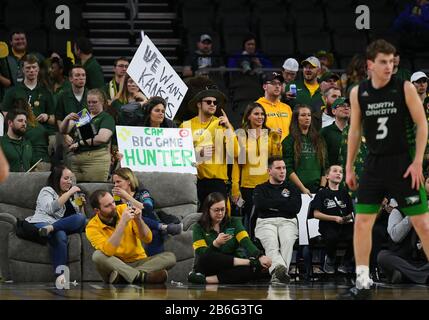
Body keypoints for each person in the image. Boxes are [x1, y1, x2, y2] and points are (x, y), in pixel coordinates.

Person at [345, 39, 429, 299]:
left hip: (403, 163)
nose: (388, 66)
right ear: (370, 64)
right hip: (374, 164)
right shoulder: (358, 92)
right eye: (383, 61)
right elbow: (355, 131)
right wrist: (348, 167)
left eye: (392, 62)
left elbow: (422, 125)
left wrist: (417, 162)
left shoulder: (404, 88)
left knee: (423, 224)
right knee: (361, 223)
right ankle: (362, 283)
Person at [86, 190, 176, 284]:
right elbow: (109, 251)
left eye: (113, 202)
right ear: (97, 210)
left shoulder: (124, 209)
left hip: (136, 262)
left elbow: (148, 238)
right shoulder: (92, 227)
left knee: (170, 257)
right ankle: (139, 276)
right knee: (97, 255)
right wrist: (123, 223)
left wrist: (139, 220)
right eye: (107, 206)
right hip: (114, 265)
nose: (113, 207)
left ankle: (126, 276)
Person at [188, 192, 272, 284]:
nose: (220, 213)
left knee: (254, 270)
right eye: (216, 210)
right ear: (208, 210)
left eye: (222, 209)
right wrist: (215, 244)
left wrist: (260, 256)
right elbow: (202, 254)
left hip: (232, 264)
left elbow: (246, 242)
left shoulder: (234, 222)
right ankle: (250, 263)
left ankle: (205, 280)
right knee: (206, 257)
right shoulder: (198, 227)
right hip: (209, 264)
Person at [25, 165, 87, 285]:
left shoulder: (72, 197)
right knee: (60, 235)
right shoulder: (47, 191)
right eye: (66, 178)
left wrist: (80, 207)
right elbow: (50, 209)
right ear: (57, 179)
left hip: (54, 227)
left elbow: (79, 219)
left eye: (71, 179)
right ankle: (60, 276)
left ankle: (51, 228)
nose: (69, 181)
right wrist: (69, 193)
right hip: (42, 223)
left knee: (81, 218)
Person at [180, 87, 238, 209]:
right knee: (198, 219)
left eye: (215, 102)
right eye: (208, 102)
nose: (212, 104)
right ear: (199, 104)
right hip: (194, 181)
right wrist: (197, 153)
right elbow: (180, 155)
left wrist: (228, 127)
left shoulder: (223, 124)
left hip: (217, 181)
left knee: (220, 220)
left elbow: (236, 153)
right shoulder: (185, 126)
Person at [231, 102, 282, 231]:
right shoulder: (241, 135)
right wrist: (235, 188)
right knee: (250, 220)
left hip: (267, 185)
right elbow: (237, 165)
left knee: (266, 220)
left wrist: (277, 142)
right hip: (248, 186)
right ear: (248, 116)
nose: (260, 117)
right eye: (256, 114)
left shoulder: (270, 134)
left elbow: (276, 160)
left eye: (262, 114)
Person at [111, 167, 182, 256]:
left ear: (128, 181)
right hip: (128, 226)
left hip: (146, 223)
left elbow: (148, 208)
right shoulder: (115, 198)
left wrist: (127, 197)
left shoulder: (142, 193)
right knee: (133, 215)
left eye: (118, 182)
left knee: (153, 232)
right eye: (114, 183)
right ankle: (163, 227)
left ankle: (155, 265)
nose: (115, 185)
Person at [253, 156, 302, 284]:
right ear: (269, 171)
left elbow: (295, 207)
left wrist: (271, 204)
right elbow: (260, 204)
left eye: (284, 168)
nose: (283, 171)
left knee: (287, 240)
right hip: (265, 222)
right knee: (271, 243)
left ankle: (278, 274)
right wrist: (283, 204)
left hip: (288, 221)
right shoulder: (260, 188)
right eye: (278, 168)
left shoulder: (293, 188)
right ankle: (281, 273)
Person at [59, 88, 115, 182]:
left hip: (95, 159)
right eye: (89, 102)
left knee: (94, 189)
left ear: (102, 102)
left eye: (94, 102)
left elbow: (102, 138)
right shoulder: (83, 115)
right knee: (75, 190)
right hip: (76, 159)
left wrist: (80, 143)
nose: (91, 105)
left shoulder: (106, 118)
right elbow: (63, 130)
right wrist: (67, 119)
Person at [311, 165, 354, 274]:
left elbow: (351, 212)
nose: (339, 173)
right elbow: (316, 214)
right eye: (335, 171)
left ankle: (346, 261)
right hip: (328, 225)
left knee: (358, 236)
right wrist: (334, 218)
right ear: (327, 176)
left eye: (341, 172)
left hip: (344, 225)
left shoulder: (345, 193)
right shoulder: (322, 193)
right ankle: (330, 258)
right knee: (332, 236)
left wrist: (347, 218)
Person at [377, 200, 429, 284]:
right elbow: (395, 237)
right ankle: (422, 276)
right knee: (383, 256)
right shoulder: (397, 211)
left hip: (424, 261)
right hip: (403, 260)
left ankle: (407, 276)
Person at [282, 104, 327, 196]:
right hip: (296, 191)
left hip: (318, 190)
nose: (307, 118)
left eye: (309, 115)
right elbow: (288, 168)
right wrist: (303, 189)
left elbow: (325, 166)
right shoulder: (289, 141)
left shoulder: (319, 139)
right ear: (296, 119)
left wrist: (322, 188)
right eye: (303, 115)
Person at [256, 72, 292, 142]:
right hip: (266, 151)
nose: (277, 86)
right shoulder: (256, 106)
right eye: (273, 83)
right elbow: (250, 132)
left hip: (287, 151)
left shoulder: (287, 108)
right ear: (264, 86)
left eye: (279, 84)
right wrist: (269, 133)